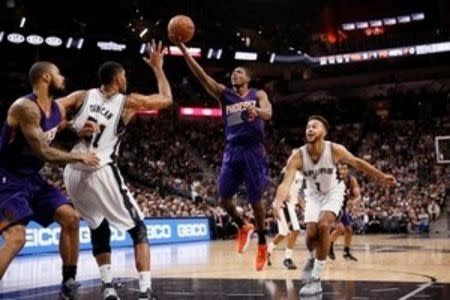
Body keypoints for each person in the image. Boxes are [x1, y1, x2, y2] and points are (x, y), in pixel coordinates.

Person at [59, 40, 172, 300]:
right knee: (139, 229)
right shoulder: (127, 102)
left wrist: (73, 127)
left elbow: (51, 113)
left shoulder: (80, 96)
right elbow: (166, 99)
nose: (126, 79)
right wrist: (158, 68)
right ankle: (146, 291)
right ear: (118, 78)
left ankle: (108, 287)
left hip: (72, 171)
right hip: (99, 167)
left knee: (99, 226)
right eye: (124, 75)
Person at [0, 61, 99, 299]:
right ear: (45, 77)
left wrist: (77, 129)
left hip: (32, 179)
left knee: (71, 217)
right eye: (58, 73)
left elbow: (58, 125)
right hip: (7, 180)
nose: (63, 77)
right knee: (17, 238)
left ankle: (69, 280)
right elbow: (43, 151)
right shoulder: (25, 108)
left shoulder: (56, 108)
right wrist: (80, 157)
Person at [173, 39, 272, 271]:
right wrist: (185, 51)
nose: (234, 75)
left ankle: (263, 244)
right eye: (233, 73)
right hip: (233, 150)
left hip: (254, 150)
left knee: (256, 200)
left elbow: (268, 114)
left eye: (239, 72)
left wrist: (255, 110)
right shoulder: (224, 95)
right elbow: (202, 77)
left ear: (247, 78)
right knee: (223, 200)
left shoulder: (258, 94)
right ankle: (242, 226)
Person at [273, 115, 396, 296]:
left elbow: (357, 162)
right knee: (310, 238)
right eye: (307, 127)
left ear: (323, 132)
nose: (310, 129)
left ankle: (316, 278)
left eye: (314, 126)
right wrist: (277, 202)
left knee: (324, 225)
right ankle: (312, 258)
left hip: (333, 193)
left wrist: (381, 176)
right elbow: (285, 183)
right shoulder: (297, 156)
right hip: (313, 196)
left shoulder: (334, 149)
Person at [267, 169, 303, 270]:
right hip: (284, 204)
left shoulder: (301, 174)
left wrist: (303, 206)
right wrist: (277, 205)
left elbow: (296, 193)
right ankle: (287, 258)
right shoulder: (288, 169)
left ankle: (268, 251)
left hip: (289, 205)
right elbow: (278, 184)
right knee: (295, 230)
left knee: (283, 233)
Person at [328, 163, 361, 261]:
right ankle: (328, 246)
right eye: (340, 169)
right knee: (340, 228)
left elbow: (358, 196)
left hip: (341, 208)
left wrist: (354, 202)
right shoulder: (333, 180)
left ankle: (346, 252)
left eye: (344, 169)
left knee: (349, 229)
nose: (342, 171)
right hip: (332, 206)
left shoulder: (352, 180)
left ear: (348, 170)